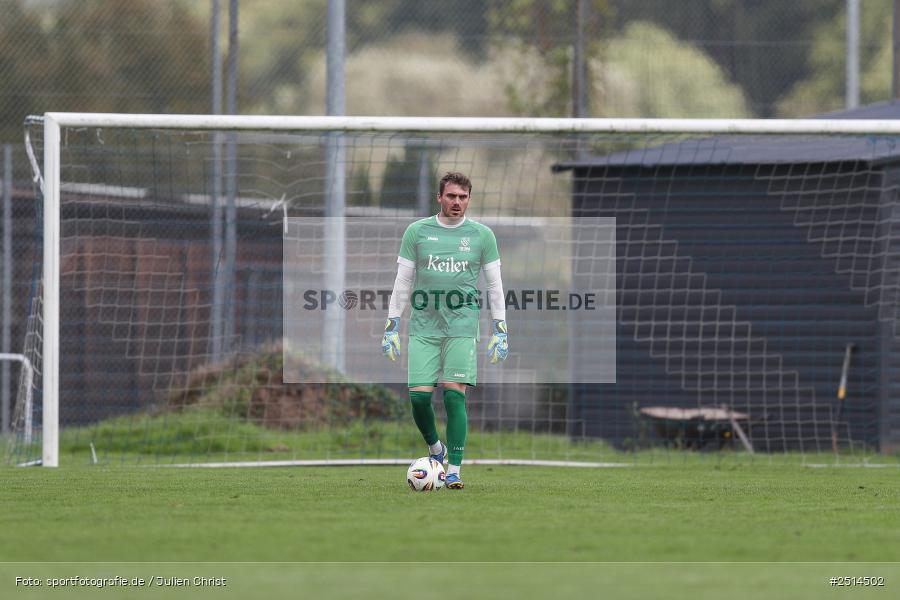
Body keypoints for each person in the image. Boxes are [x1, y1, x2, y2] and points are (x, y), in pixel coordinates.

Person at [381, 171, 508, 489]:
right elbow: (403, 281)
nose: (457, 202)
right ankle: (435, 448)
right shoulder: (417, 231)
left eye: (463, 197)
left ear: (469, 199)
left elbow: (494, 286)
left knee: (454, 395)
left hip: (462, 325)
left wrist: (500, 329)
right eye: (451, 196)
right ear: (440, 197)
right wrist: (392, 324)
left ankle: (454, 469)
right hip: (424, 325)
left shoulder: (482, 235)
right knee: (419, 398)